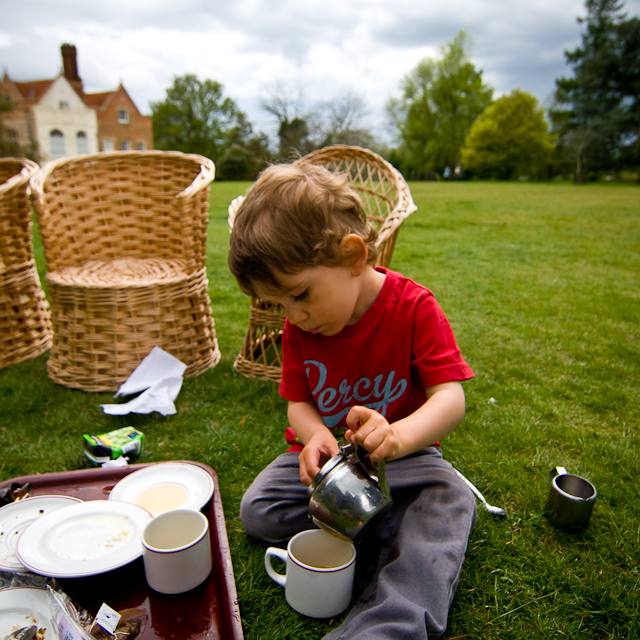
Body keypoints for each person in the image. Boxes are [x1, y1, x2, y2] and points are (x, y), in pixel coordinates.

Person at [228, 161, 477, 639]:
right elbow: (298, 404)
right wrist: (315, 434)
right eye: (281, 305)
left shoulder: (413, 307)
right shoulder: (301, 327)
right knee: (259, 508)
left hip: (405, 460)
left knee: (450, 499)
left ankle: (390, 622)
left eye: (300, 294)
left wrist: (398, 436)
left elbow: (451, 398)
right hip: (332, 470)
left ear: (353, 256)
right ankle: (390, 530)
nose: (295, 317)